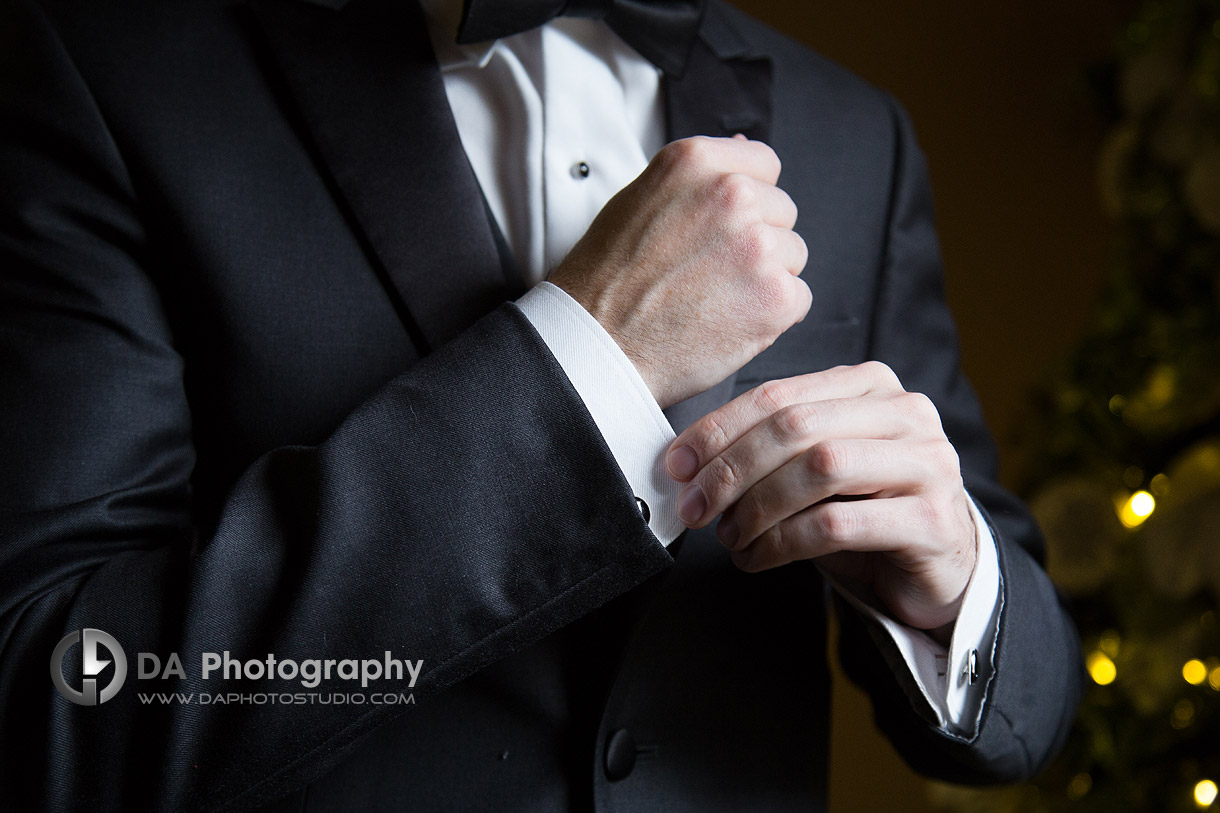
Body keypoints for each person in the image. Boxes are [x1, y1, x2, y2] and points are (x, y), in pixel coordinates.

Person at [0, 0, 1082, 808]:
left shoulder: (855, 133)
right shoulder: (101, 67)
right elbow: (64, 704)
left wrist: (952, 592)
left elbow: (1023, 706)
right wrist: (587, 364)